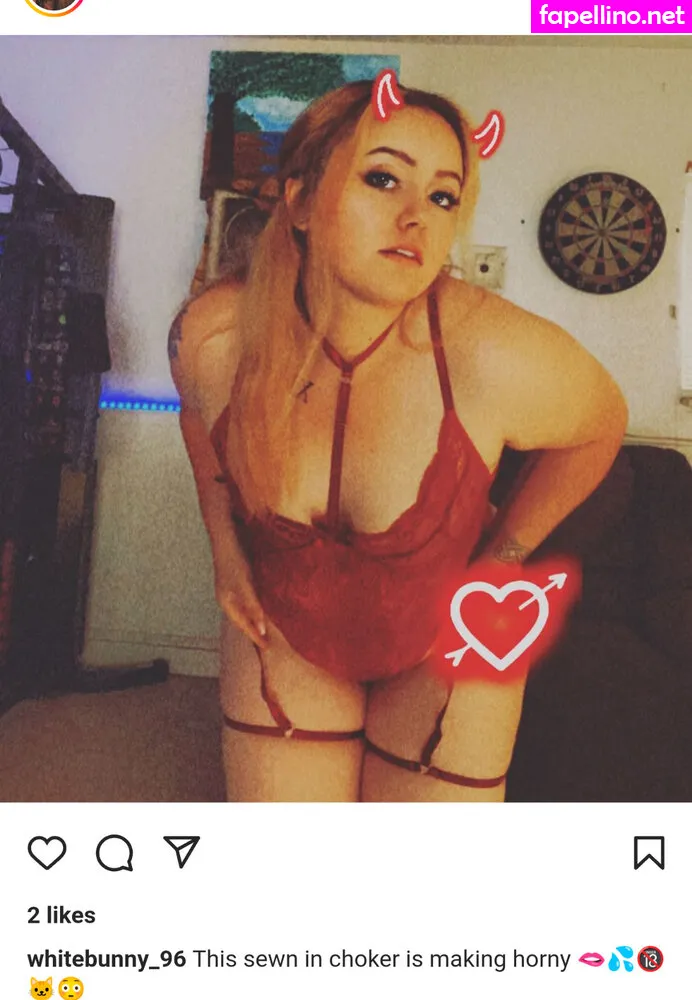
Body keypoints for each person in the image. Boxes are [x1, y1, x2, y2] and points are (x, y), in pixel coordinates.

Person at [169, 80, 628, 803]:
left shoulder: (494, 352)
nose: (416, 217)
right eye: (383, 179)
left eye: (443, 197)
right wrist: (225, 550)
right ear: (298, 201)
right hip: (285, 633)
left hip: (446, 642)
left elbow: (601, 426)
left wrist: (503, 559)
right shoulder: (214, 336)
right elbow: (197, 418)